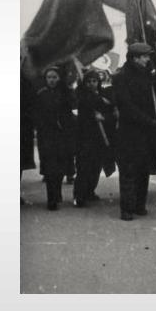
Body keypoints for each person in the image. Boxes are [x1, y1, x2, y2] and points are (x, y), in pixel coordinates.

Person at [112, 42, 156, 221]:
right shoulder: (121, 77)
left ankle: (139, 205)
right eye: (145, 56)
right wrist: (149, 121)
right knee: (128, 170)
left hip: (147, 132)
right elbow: (126, 106)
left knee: (143, 170)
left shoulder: (148, 76)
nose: (148, 59)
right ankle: (126, 208)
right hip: (130, 131)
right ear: (135, 58)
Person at [33, 66, 76, 210]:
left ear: (59, 78)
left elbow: (72, 108)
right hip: (47, 135)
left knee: (59, 168)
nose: (51, 80)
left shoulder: (65, 92)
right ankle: (52, 199)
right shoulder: (41, 94)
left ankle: (56, 194)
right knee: (50, 168)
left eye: (54, 77)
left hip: (62, 135)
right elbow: (36, 114)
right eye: (49, 77)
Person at [72, 70, 117, 206]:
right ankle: (79, 196)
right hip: (85, 137)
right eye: (89, 82)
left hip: (100, 136)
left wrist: (103, 117)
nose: (92, 84)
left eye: (94, 81)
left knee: (95, 167)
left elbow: (111, 111)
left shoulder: (104, 94)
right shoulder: (81, 94)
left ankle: (90, 191)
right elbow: (82, 106)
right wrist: (96, 101)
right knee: (84, 167)